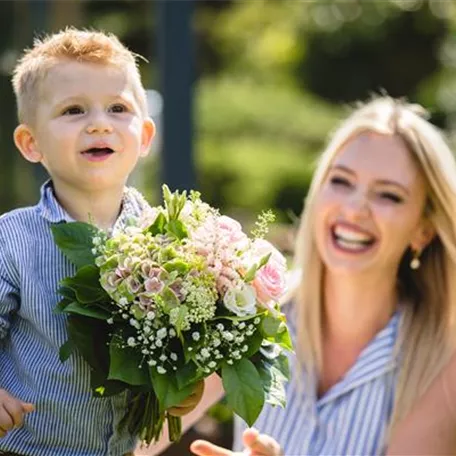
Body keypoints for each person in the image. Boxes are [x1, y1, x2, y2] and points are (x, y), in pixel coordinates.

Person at [189, 96, 456, 456]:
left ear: (423, 231)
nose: (353, 209)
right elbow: (128, 440)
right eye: (342, 181)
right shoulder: (249, 311)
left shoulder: (441, 363)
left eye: (389, 196)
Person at [0, 28, 204, 456]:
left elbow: (180, 352)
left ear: (145, 136)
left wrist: (182, 387)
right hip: (27, 448)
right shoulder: (13, 240)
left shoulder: (170, 239)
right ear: (30, 143)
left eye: (117, 108)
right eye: (73, 110)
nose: (99, 123)